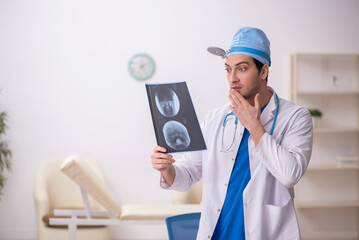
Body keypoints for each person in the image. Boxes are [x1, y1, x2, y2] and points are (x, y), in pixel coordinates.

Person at [150, 26, 313, 240]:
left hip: (265, 233)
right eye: (228, 69)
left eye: (242, 69)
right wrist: (166, 168)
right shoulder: (215, 119)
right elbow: (189, 173)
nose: (232, 78)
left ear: (263, 71)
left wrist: (254, 126)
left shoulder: (295, 117)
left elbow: (290, 174)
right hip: (218, 233)